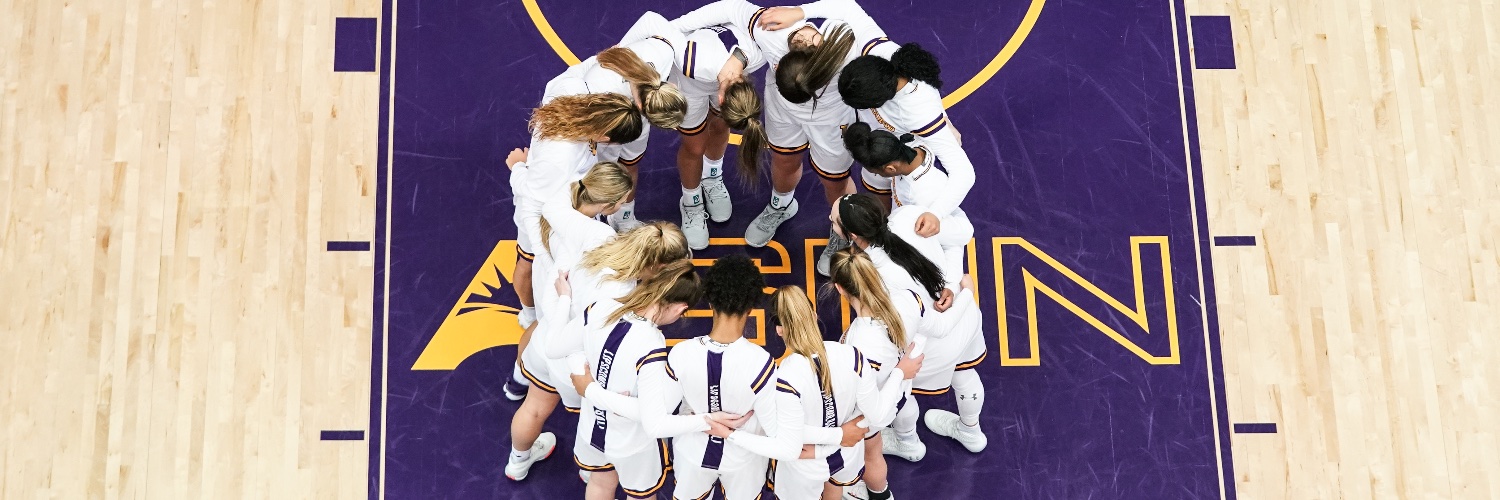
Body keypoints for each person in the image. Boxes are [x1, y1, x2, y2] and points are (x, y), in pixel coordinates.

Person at [672, 0, 896, 272]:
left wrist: (938, 123)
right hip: (783, 111)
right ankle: (782, 205)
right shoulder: (774, 29)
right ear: (778, 66)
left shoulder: (848, 42)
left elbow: (898, 63)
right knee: (784, 161)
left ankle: (840, 231)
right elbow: (731, 8)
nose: (804, 37)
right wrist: (672, 30)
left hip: (832, 119)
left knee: (834, 180)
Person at [712, 286, 919, 500]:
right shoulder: (853, 356)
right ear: (814, 315)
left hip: (804, 466)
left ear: (779, 330)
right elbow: (876, 415)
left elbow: (786, 436)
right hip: (845, 455)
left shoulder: (782, 378)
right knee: (834, 488)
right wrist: (899, 374)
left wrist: (729, 433)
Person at [567, 262, 752, 500]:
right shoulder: (651, 342)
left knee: (600, 484)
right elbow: (652, 419)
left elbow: (560, 349)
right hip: (632, 444)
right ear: (680, 309)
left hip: (591, 429)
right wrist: (706, 420)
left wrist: (588, 382)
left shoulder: (600, 308)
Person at [502, 160, 632, 480]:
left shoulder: (561, 202)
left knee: (534, 407)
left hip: (546, 336)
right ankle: (594, 470)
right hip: (580, 353)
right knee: (595, 415)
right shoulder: (602, 241)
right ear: (609, 205)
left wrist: (518, 168)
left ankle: (517, 463)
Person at [831, 194, 988, 455]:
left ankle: (907, 443)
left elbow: (917, 327)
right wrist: (953, 285)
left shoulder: (873, 278)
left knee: (900, 392)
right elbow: (957, 240)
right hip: (964, 315)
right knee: (965, 373)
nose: (829, 221)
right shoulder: (911, 215)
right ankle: (971, 432)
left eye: (833, 221)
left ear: (853, 234)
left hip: (927, 344)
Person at [504, 106, 642, 400]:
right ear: (609, 205)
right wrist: (519, 170)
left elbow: (533, 190)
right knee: (544, 338)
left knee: (538, 330)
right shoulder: (591, 236)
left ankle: (516, 380)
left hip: (550, 280)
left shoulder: (566, 193)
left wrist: (520, 168)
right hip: (559, 294)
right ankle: (525, 380)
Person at [662, 255, 776, 499]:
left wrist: (703, 421)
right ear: (750, 307)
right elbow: (775, 429)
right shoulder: (762, 363)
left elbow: (660, 417)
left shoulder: (680, 354)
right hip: (744, 458)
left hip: (692, 454)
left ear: (710, 302)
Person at [837, 46, 975, 246]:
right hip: (887, 156)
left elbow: (964, 172)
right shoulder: (880, 54)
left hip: (899, 166)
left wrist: (936, 214)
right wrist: (802, 12)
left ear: (878, 100)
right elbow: (853, 14)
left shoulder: (920, 114)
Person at [827, 249, 919, 500]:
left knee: (869, 454)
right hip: (896, 391)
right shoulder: (904, 300)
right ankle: (882, 492)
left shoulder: (859, 344)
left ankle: (878, 493)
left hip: (869, 410)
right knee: (874, 450)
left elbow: (856, 397)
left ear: (840, 289)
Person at [670, 25, 769, 249]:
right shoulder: (692, 61)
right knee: (694, 146)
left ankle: (712, 176)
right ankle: (691, 202)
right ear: (723, 98)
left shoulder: (757, 54)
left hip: (720, 74)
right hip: (690, 81)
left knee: (719, 126)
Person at [842, 123, 974, 282]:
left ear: (890, 169)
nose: (876, 176)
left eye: (876, 173)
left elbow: (955, 239)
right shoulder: (912, 145)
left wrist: (952, 282)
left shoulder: (922, 194)